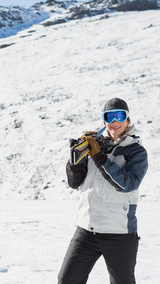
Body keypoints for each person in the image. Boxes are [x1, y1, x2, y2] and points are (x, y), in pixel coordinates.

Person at [58, 97, 148, 284]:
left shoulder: (136, 151)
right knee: (66, 280)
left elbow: (127, 184)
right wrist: (75, 160)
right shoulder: (93, 145)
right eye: (109, 117)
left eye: (119, 116)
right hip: (87, 231)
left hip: (120, 234)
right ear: (104, 120)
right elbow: (75, 183)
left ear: (127, 119)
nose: (114, 122)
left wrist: (99, 158)